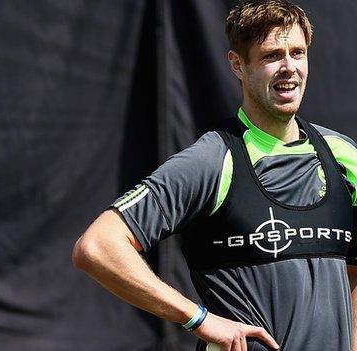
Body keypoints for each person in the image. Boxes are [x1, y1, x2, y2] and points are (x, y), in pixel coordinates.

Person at [73, 1, 357, 350]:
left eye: (297, 53)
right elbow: (98, 247)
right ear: (238, 65)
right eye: (271, 56)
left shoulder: (343, 155)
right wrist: (199, 318)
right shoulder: (212, 160)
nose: (288, 68)